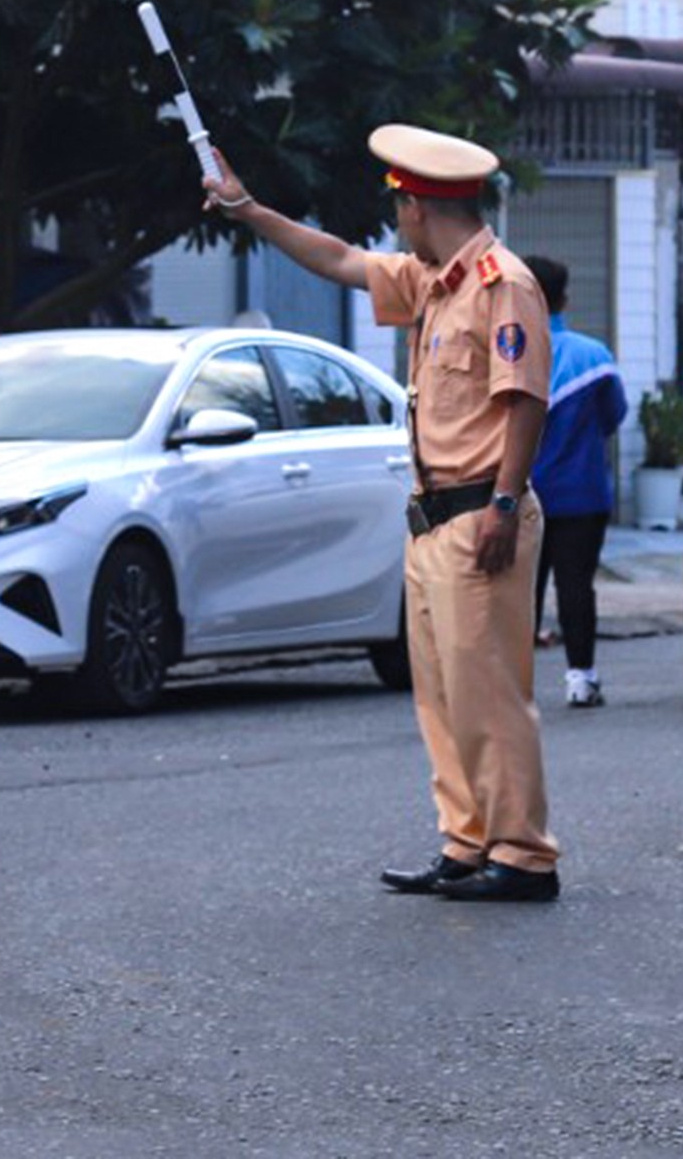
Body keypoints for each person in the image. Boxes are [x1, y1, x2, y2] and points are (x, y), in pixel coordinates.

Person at [201, 124, 562, 904]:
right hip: (433, 518)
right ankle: (467, 841)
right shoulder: (436, 281)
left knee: (489, 690)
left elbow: (526, 400)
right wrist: (249, 209)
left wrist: (504, 501)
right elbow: (338, 259)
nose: (393, 226)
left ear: (418, 204)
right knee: (441, 694)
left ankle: (524, 854)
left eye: (397, 206)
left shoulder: (505, 284)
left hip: (480, 515)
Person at [523, 255, 628, 708]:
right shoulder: (595, 358)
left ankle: (512, 684)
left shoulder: (505, 355)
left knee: (521, 591)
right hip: (583, 494)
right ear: (564, 297)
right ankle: (581, 679)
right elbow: (614, 417)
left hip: (520, 495)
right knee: (575, 585)